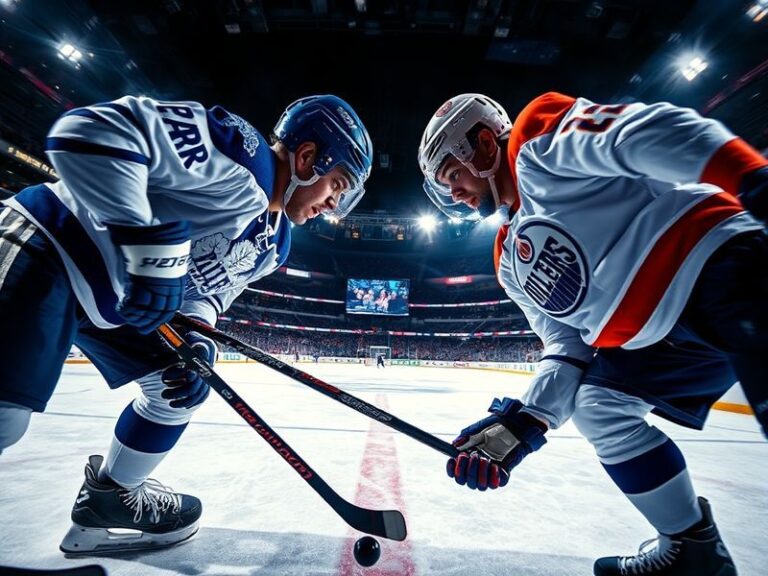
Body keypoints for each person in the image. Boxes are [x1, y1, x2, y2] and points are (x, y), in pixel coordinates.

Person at [0, 93, 373, 554]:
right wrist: (147, 244)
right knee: (3, 418)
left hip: (117, 301)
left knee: (175, 389)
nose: (333, 204)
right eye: (336, 184)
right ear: (307, 157)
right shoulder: (240, 153)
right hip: (52, 243)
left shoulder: (275, 245)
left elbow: (206, 295)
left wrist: (198, 343)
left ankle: (109, 500)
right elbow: (86, 131)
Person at [418, 92, 767, 576]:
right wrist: (523, 424)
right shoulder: (506, 262)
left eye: (453, 175)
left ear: (482, 144)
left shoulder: (535, 140)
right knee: (601, 408)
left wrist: (751, 177)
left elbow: (647, 132)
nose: (454, 193)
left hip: (719, 266)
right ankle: (693, 548)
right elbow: (566, 346)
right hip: (654, 342)